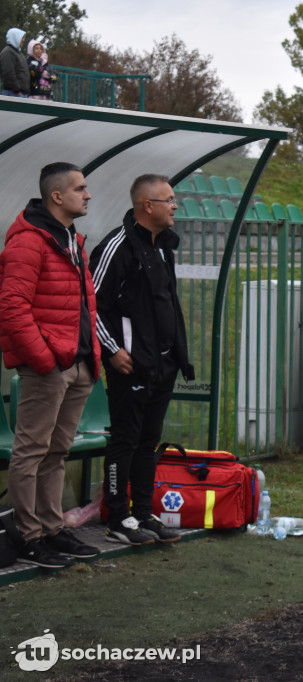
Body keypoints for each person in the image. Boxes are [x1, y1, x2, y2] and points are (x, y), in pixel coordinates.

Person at [0, 162, 102, 569]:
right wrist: (43, 360)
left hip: (77, 364)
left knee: (57, 451)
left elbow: (81, 307)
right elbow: (12, 308)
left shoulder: (71, 239)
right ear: (56, 197)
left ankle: (52, 528)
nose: (88, 194)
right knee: (31, 452)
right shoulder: (28, 242)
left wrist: (88, 356)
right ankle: (29, 536)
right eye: (80, 188)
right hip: (49, 366)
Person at [90, 174, 195, 546]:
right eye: (168, 199)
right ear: (146, 206)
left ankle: (142, 514)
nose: (175, 205)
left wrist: (177, 354)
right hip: (129, 364)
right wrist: (112, 349)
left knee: (149, 442)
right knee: (125, 439)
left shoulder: (164, 246)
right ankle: (118, 518)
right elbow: (91, 305)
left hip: (162, 364)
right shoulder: (116, 247)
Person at [1, 27, 30, 97]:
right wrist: (17, 90)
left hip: (22, 93)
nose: (23, 40)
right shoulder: (8, 52)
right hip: (13, 93)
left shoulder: (19, 54)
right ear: (15, 37)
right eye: (21, 38)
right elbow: (8, 73)